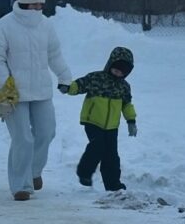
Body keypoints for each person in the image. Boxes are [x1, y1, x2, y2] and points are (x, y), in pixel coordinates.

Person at [0, 0, 72, 201]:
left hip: (42, 91)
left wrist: (64, 76)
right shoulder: (4, 25)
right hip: (16, 95)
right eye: (34, 4)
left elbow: (54, 54)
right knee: (23, 138)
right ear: (24, 2)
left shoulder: (46, 25)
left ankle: (33, 172)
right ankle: (21, 186)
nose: (37, 9)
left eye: (40, 5)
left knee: (46, 132)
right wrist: (6, 84)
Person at [58, 47, 137, 191]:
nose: (118, 72)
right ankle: (84, 172)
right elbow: (79, 85)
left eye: (123, 71)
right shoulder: (96, 78)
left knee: (112, 156)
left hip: (112, 126)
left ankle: (113, 184)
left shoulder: (124, 87)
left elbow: (127, 105)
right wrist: (68, 87)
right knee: (98, 146)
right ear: (110, 64)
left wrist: (131, 120)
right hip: (93, 121)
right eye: (116, 68)